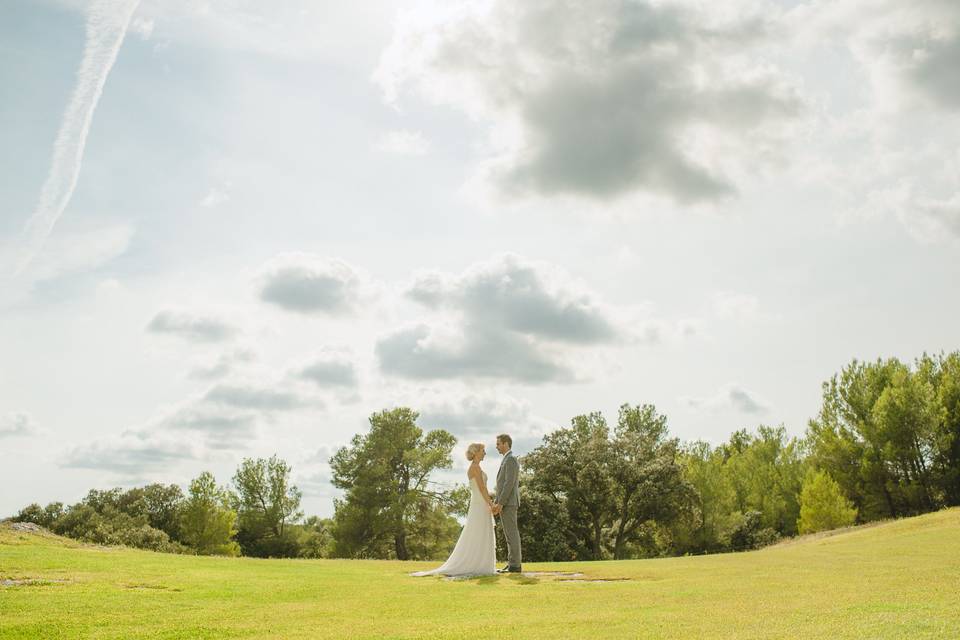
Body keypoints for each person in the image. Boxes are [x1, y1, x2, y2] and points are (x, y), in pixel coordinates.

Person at [410, 442, 496, 577]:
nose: (485, 453)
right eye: (483, 450)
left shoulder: (477, 467)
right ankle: (475, 564)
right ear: (477, 452)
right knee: (477, 531)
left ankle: (482, 563)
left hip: (480, 503)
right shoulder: (475, 468)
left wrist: (490, 500)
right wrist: (491, 504)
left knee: (481, 532)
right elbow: (482, 488)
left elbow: (484, 489)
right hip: (479, 504)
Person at [492, 433, 522, 573]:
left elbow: (508, 484)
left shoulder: (511, 460)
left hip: (509, 503)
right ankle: (512, 563)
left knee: (512, 534)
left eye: (498, 444)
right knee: (509, 535)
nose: (496, 446)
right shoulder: (506, 459)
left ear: (505, 443)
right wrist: (496, 502)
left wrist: (501, 503)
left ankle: (515, 565)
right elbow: (502, 484)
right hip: (506, 503)